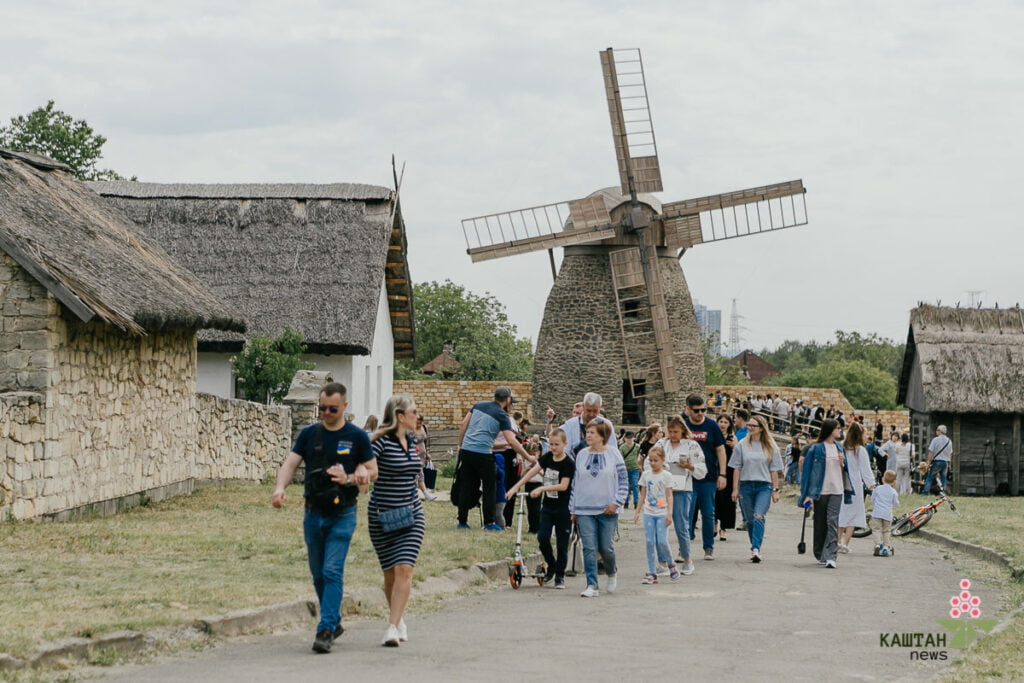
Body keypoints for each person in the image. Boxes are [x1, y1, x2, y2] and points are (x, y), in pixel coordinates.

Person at [272, 382, 376, 654]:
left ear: (344, 406)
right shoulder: (309, 434)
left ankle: (326, 628)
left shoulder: (357, 437)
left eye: (332, 408)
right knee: (318, 574)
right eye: (322, 408)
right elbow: (290, 463)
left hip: (343, 513)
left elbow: (372, 470)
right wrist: (280, 488)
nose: (326, 413)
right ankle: (335, 620)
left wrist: (353, 477)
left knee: (332, 571)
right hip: (313, 513)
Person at [368, 395, 426, 647]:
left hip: (412, 513)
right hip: (383, 515)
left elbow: (416, 471)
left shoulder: (412, 440)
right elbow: (366, 464)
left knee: (405, 568)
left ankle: (391, 627)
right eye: (414, 412)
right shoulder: (380, 442)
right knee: (390, 572)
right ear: (400, 416)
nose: (418, 416)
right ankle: (398, 617)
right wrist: (361, 474)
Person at [506, 428, 576, 589]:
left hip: (563, 508)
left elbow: (564, 486)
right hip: (548, 507)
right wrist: (516, 487)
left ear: (564, 444)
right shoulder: (546, 458)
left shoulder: (568, 464)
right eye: (550, 444)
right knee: (542, 537)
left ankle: (560, 575)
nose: (553, 447)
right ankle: (551, 564)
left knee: (562, 543)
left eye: (556, 444)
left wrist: (541, 489)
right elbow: (532, 472)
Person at [455, 386, 532, 530]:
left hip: (466, 450)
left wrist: (460, 445)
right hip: (483, 453)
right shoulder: (501, 415)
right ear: (508, 400)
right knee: (490, 486)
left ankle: (462, 521)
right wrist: (528, 456)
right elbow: (511, 440)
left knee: (466, 486)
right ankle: (489, 523)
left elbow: (463, 424)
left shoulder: (479, 405)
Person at [569, 420, 628, 598]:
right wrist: (572, 508)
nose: (588, 435)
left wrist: (617, 502)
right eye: (587, 432)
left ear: (603, 436)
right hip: (584, 508)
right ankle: (591, 585)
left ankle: (611, 572)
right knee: (588, 547)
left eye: (592, 432)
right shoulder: (581, 455)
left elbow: (624, 481)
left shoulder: (614, 454)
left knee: (605, 547)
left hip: (607, 509)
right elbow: (575, 483)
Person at [653, 415, 705, 575]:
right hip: (662, 489)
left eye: (675, 432)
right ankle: (662, 562)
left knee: (681, 525)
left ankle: (687, 560)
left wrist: (688, 466)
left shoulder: (692, 445)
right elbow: (651, 461)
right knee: (660, 525)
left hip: (682, 489)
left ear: (682, 430)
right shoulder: (662, 444)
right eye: (670, 431)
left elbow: (702, 471)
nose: (673, 435)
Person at [800, 419, 854, 569]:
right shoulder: (815, 448)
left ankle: (830, 556)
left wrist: (843, 463)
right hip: (820, 491)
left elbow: (844, 471)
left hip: (837, 489)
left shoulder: (839, 448)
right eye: (837, 428)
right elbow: (808, 473)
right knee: (820, 522)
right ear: (830, 430)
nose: (840, 431)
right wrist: (807, 494)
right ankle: (820, 553)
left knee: (832, 521)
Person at [730, 415, 783, 563]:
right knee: (750, 520)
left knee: (759, 515)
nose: (750, 428)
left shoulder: (771, 446)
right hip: (746, 485)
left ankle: (755, 548)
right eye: (749, 425)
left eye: (753, 426)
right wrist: (735, 489)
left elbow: (774, 470)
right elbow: (737, 468)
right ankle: (754, 544)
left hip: (763, 486)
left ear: (761, 428)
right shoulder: (742, 444)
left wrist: (775, 490)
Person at [683, 394, 727, 561]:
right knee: (687, 513)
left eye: (703, 410)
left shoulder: (712, 426)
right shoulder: (684, 426)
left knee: (708, 513)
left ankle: (708, 547)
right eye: (696, 410)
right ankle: (684, 547)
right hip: (687, 477)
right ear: (688, 410)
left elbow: (720, 450)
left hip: (708, 478)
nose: (700, 413)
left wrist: (722, 474)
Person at [634, 447, 679, 583]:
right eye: (651, 460)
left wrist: (669, 513)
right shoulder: (646, 475)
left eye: (656, 460)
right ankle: (652, 571)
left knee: (661, 541)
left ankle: (671, 564)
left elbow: (669, 495)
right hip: (649, 512)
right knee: (649, 541)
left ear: (662, 460)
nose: (653, 463)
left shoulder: (667, 476)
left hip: (662, 512)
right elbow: (642, 494)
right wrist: (637, 511)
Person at [837, 422, 876, 554]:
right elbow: (866, 470)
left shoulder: (841, 446)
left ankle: (836, 541)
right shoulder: (860, 450)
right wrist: (872, 485)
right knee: (854, 514)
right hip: (854, 484)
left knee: (842, 512)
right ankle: (845, 543)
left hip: (841, 482)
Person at [551, 392, 617, 457]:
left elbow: (613, 451)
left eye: (595, 411)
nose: (591, 414)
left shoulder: (606, 425)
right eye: (589, 410)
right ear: (583, 406)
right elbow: (565, 452)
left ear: (600, 408)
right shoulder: (569, 425)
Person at [714, 414, 737, 542]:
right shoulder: (714, 436)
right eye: (720, 421)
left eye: (725, 422)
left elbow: (738, 455)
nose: (722, 424)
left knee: (727, 501)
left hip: (729, 472)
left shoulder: (732, 438)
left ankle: (724, 528)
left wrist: (734, 446)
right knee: (715, 499)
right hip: (715, 470)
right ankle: (715, 523)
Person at [870, 470, 899, 557]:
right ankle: (886, 546)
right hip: (887, 514)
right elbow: (896, 503)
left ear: (883, 479)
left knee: (876, 529)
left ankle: (878, 544)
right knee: (886, 531)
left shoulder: (878, 489)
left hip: (877, 513)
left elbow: (872, 499)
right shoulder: (893, 491)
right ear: (894, 482)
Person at [923, 425, 953, 494]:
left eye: (937, 430)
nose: (936, 431)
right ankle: (943, 493)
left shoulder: (935, 440)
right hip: (945, 462)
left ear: (940, 431)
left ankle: (925, 492)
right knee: (943, 478)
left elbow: (931, 452)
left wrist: (928, 462)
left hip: (937, 461)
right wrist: (949, 464)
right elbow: (950, 453)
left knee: (930, 477)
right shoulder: (949, 441)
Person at [412, 414, 436, 501]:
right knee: (418, 475)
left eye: (420, 423)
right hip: (414, 455)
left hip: (422, 456)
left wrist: (427, 453)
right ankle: (425, 494)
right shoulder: (410, 430)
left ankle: (421, 494)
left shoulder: (423, 428)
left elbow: (426, 442)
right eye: (417, 423)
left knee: (419, 475)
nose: (419, 425)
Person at [619, 431, 642, 509]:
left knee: (635, 485)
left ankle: (636, 502)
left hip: (635, 468)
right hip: (625, 468)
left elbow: (639, 456)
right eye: (628, 438)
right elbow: (620, 458)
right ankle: (626, 502)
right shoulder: (622, 447)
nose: (629, 440)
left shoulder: (637, 446)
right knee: (627, 486)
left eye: (631, 438)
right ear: (625, 438)